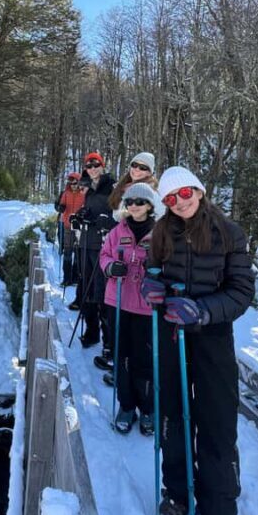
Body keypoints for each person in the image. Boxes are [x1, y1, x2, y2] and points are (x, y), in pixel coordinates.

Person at [141, 166, 255, 515]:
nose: (180, 202)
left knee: (217, 427)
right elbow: (151, 275)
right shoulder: (161, 232)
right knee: (172, 417)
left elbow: (242, 291)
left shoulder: (229, 232)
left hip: (211, 340)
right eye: (170, 198)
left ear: (200, 191)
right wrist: (151, 292)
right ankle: (176, 495)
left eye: (185, 193)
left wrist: (205, 311)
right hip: (172, 336)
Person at [99, 182, 156, 435]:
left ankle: (147, 408)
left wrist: (156, 272)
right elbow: (104, 255)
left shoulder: (159, 232)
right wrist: (111, 267)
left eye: (140, 202)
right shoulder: (117, 230)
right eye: (130, 202)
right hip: (118, 301)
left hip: (145, 306)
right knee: (122, 358)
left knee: (143, 360)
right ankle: (126, 405)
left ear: (150, 205)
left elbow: (169, 261)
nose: (134, 207)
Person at [72, 151, 115, 349]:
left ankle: (109, 341)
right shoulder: (87, 189)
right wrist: (80, 216)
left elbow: (119, 216)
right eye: (89, 166)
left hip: (103, 245)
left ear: (102, 165)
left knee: (101, 291)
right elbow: (89, 210)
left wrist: (103, 221)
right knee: (86, 287)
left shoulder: (111, 187)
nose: (93, 169)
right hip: (86, 243)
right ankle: (91, 333)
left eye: (96, 164)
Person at [108, 152, 165, 220]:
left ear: (149, 173)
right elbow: (115, 213)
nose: (137, 169)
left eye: (143, 167)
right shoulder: (122, 186)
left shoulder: (151, 191)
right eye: (134, 165)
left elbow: (160, 215)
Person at [54, 172, 86, 288]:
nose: (73, 185)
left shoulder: (83, 194)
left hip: (79, 227)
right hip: (67, 225)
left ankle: (75, 278)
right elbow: (60, 205)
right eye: (71, 183)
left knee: (77, 253)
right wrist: (60, 207)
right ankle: (66, 278)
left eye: (75, 183)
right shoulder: (66, 193)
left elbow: (87, 207)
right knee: (67, 252)